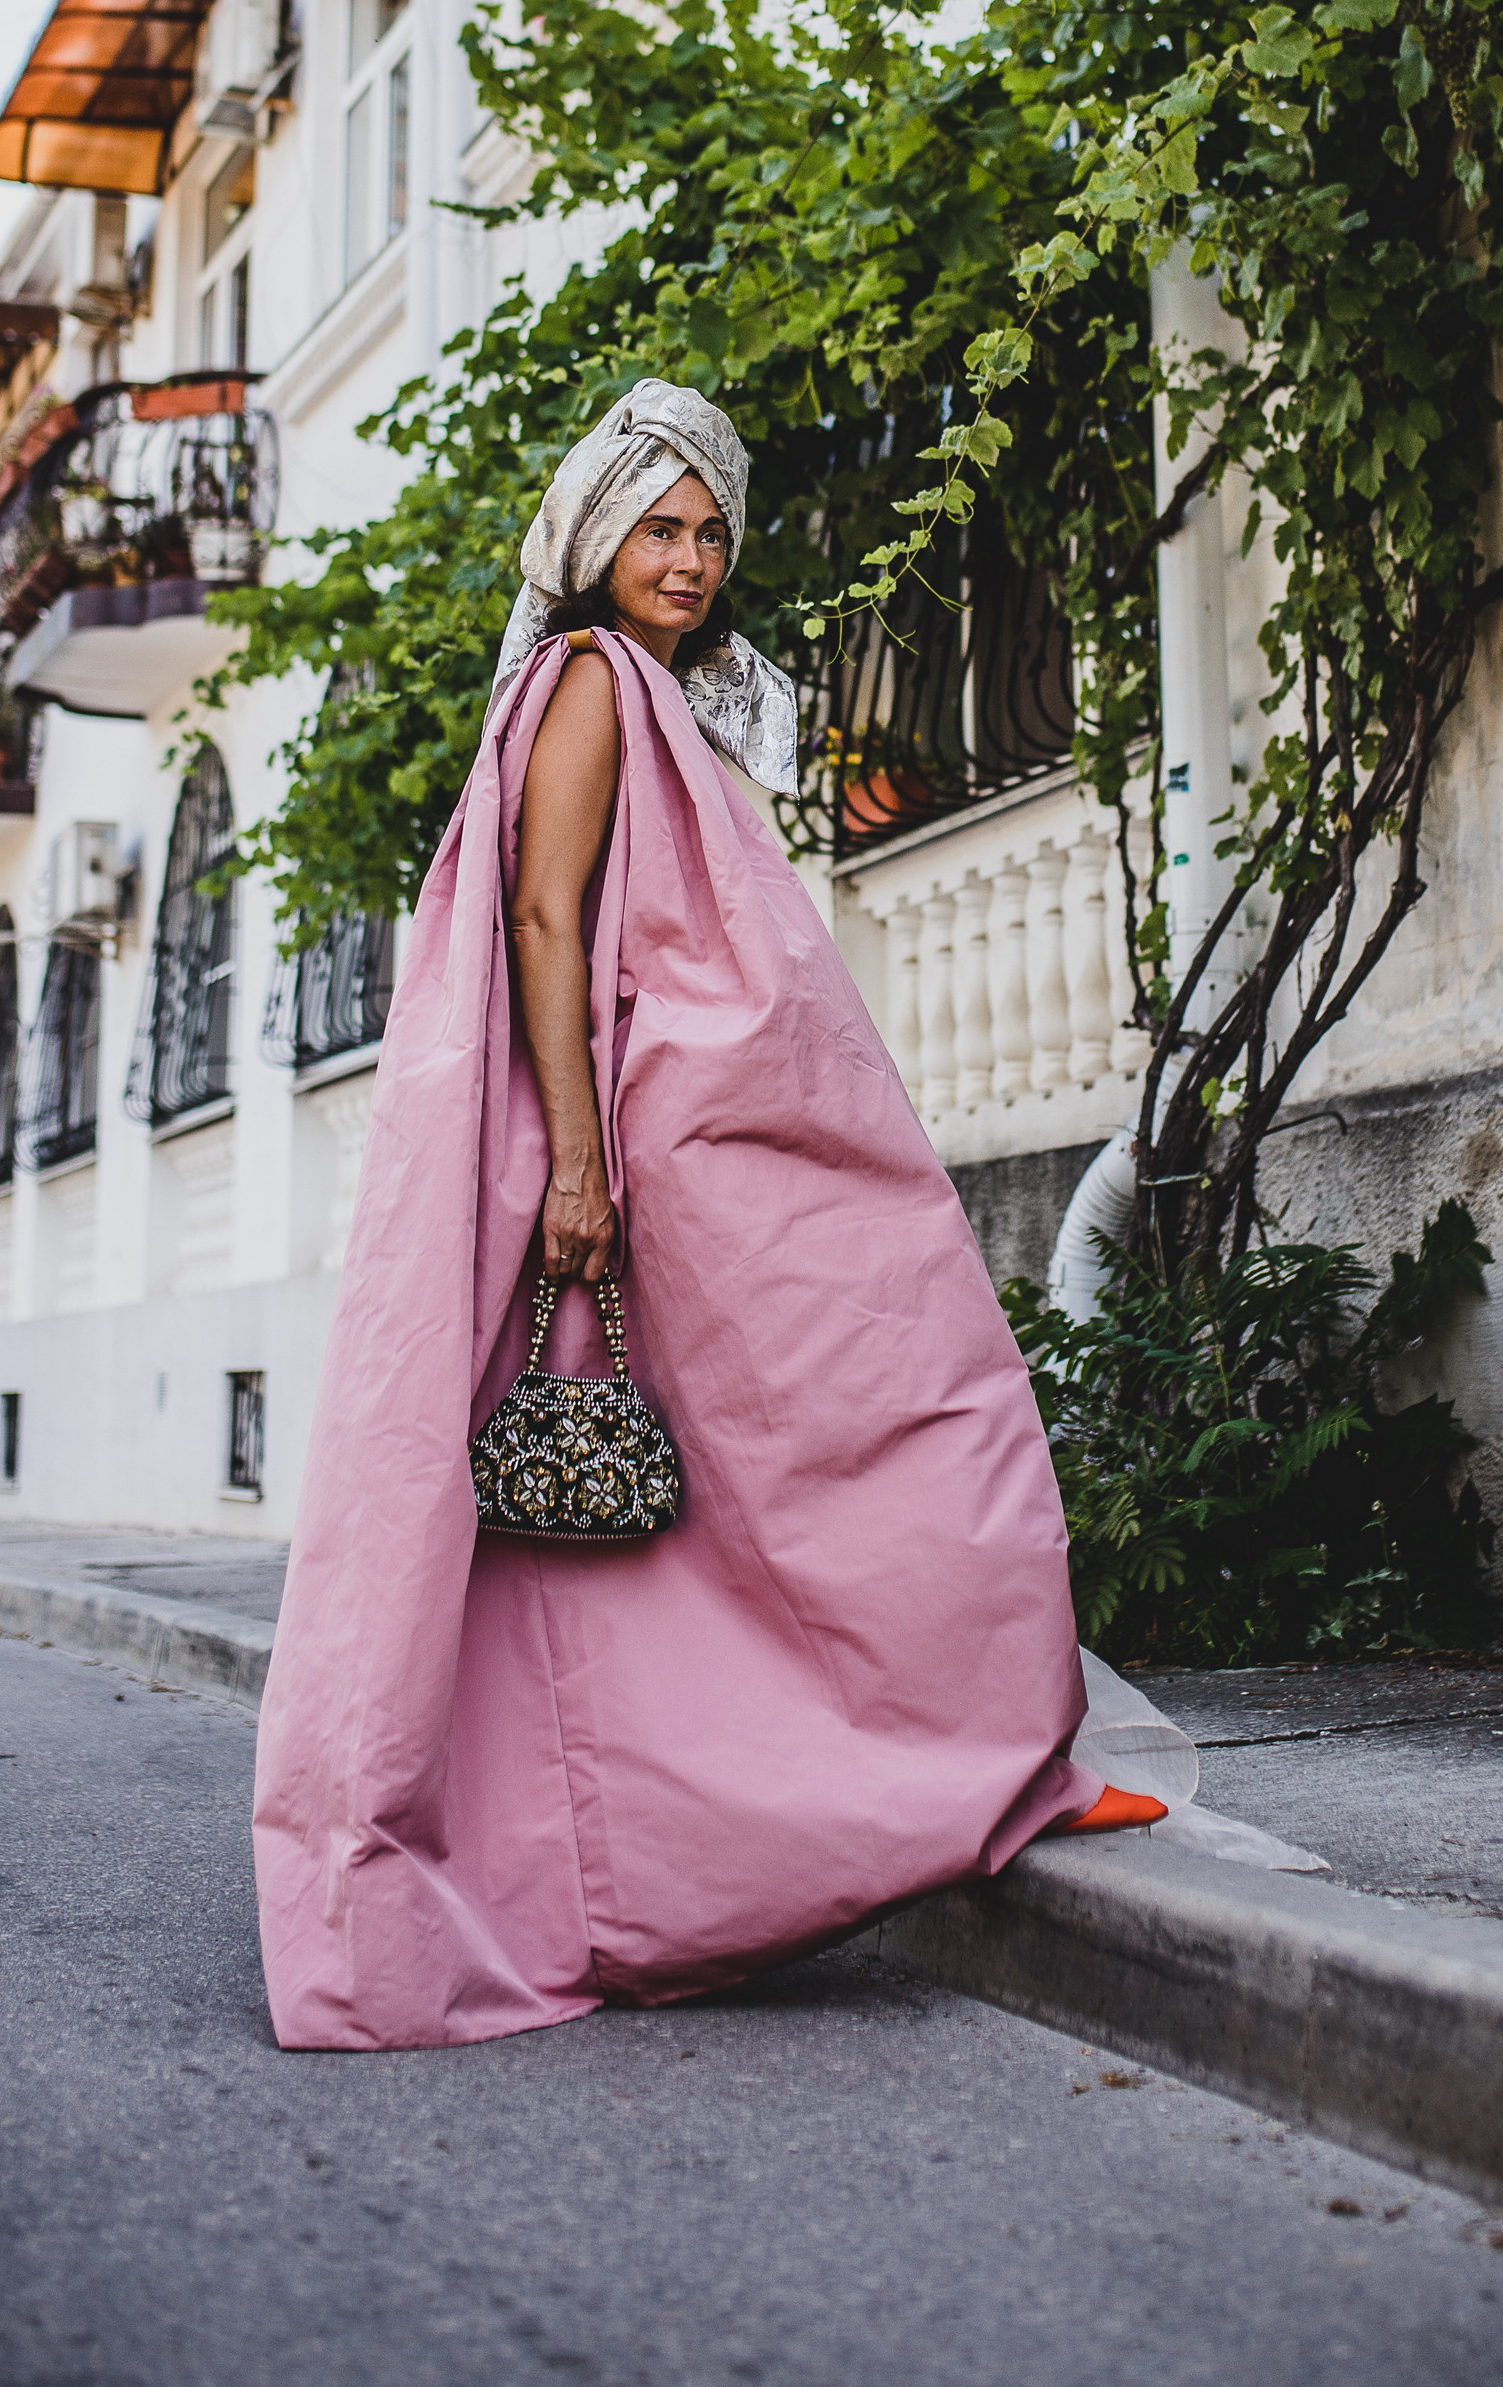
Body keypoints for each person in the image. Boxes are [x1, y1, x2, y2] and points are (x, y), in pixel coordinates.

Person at [252, 380, 1162, 2055]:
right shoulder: (596, 682)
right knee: (875, 1424)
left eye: (709, 532)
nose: (688, 557)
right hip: (638, 1166)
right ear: (595, 539)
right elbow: (545, 912)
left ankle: (974, 1773)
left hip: (701, 1151)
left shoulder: (655, 692)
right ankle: (924, 1784)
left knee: (828, 1457)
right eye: (658, 527)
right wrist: (584, 1170)